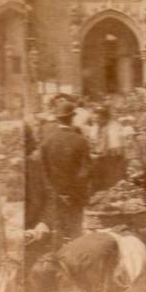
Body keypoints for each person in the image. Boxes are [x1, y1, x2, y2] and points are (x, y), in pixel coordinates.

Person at [37, 101, 92, 244]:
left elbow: (43, 171)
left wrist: (58, 191)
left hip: (55, 194)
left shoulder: (46, 142)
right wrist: (71, 192)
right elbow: (85, 172)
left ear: (57, 118)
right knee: (75, 231)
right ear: (72, 118)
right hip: (75, 195)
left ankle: (56, 260)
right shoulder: (81, 141)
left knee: (58, 229)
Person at [86, 105, 126, 193]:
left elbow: (118, 148)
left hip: (112, 160)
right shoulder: (95, 127)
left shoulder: (114, 126)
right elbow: (92, 142)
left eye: (98, 119)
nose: (96, 121)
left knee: (112, 185)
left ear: (105, 117)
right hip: (99, 160)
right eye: (95, 119)